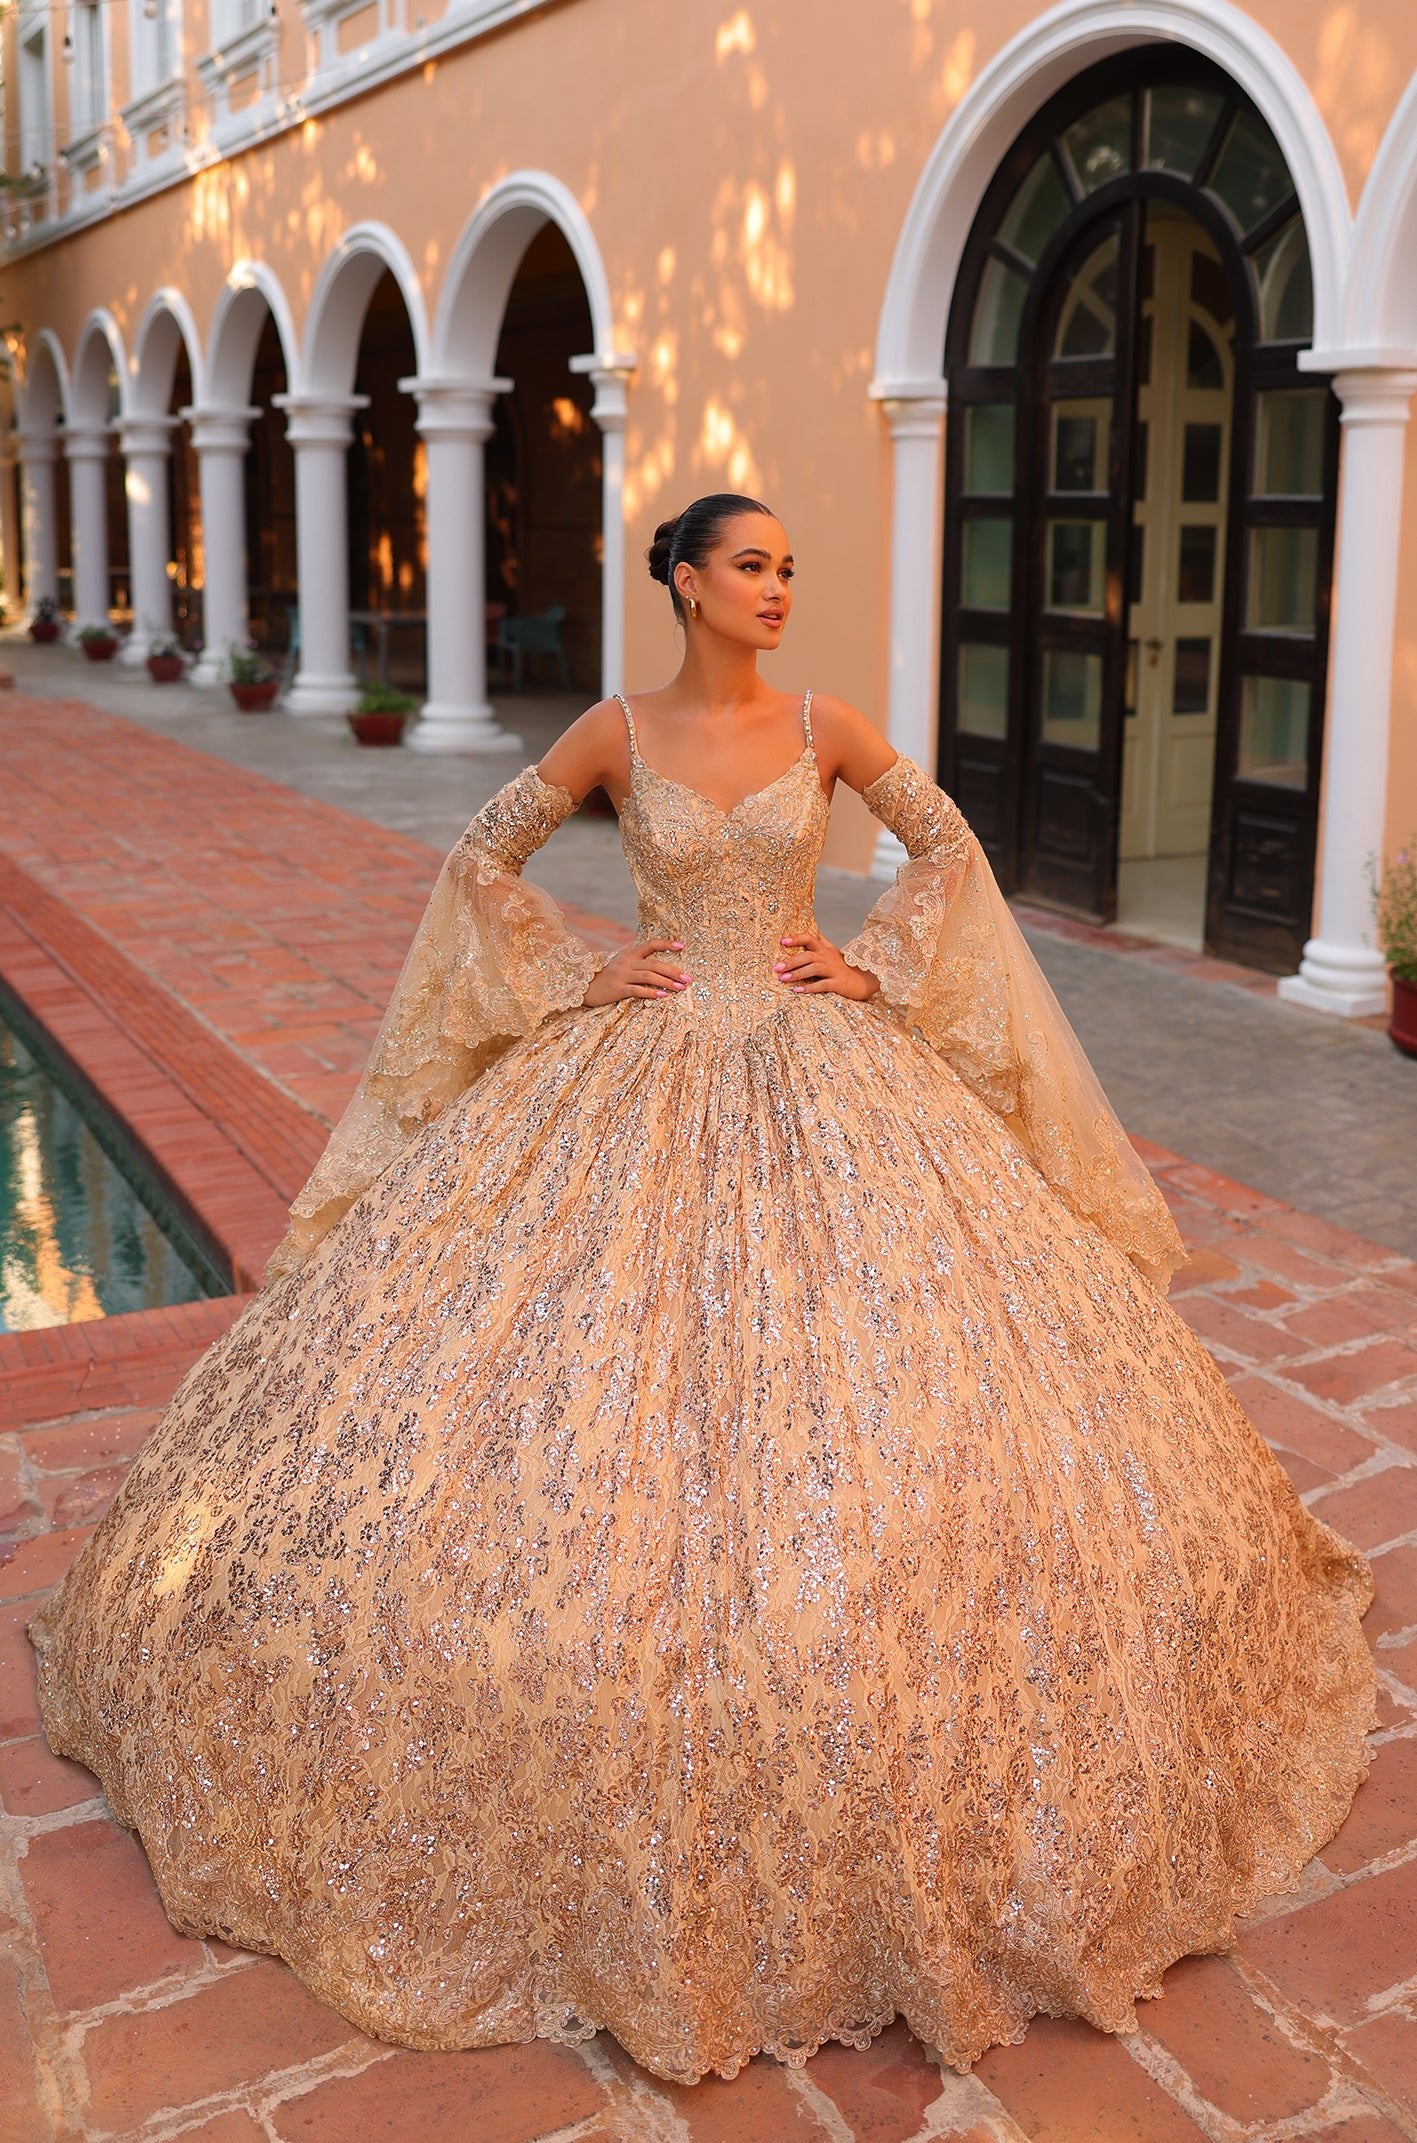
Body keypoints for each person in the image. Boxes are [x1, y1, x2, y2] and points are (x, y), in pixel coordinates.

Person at [30, 492, 1376, 2087]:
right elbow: (482, 857)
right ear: (681, 577)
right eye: (750, 564)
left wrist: (873, 962)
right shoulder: (611, 730)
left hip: (825, 1065)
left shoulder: (826, 722)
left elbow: (945, 846)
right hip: (644, 1057)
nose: (777, 588)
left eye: (788, 566)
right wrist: (571, 967)